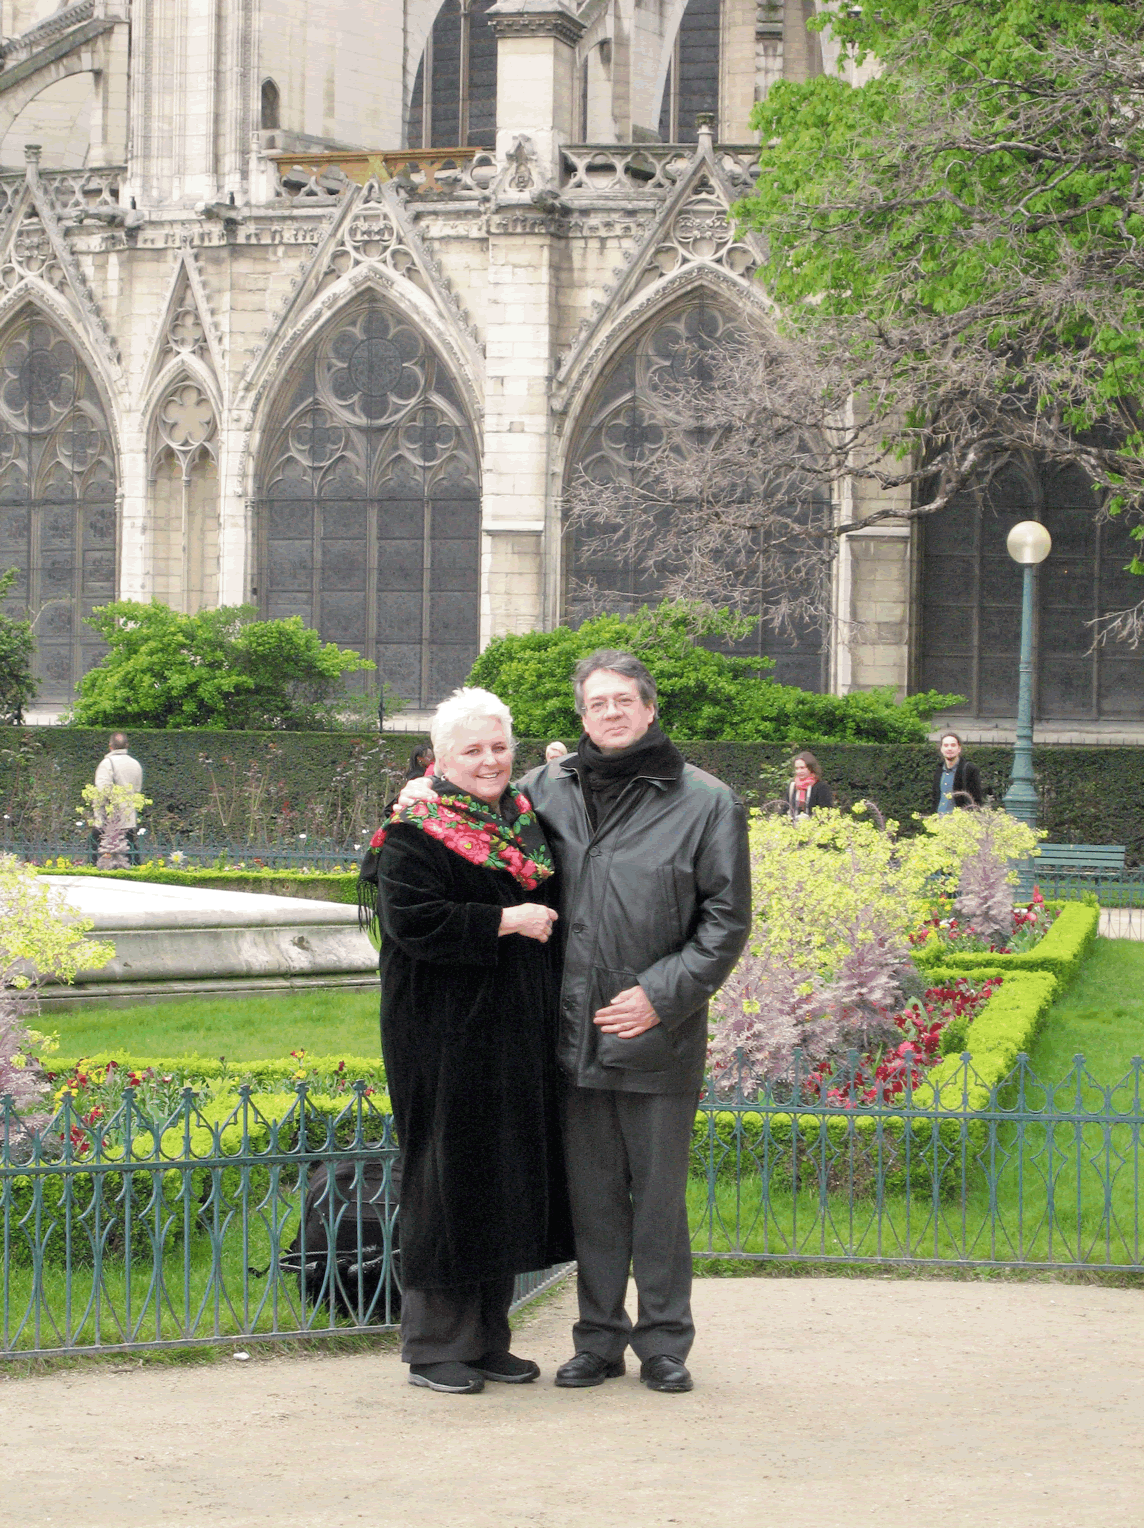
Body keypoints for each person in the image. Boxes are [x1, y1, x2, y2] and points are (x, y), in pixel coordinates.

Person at [398, 650, 751, 1393]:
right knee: (590, 1200)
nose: (612, 713)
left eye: (625, 699)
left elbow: (726, 920)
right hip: (566, 1033)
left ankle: (663, 1343)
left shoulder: (707, 801)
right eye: (598, 703)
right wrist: (419, 795)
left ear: (650, 709)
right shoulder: (541, 792)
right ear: (582, 717)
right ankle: (596, 1340)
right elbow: (464, 813)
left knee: (657, 1203)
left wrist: (663, 994)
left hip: (658, 1030)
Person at [375, 687, 573, 1395]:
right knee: (447, 1177)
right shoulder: (414, 827)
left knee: (500, 1176)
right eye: (473, 750)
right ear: (440, 757)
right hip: (442, 1036)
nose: (490, 761)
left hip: (512, 1030)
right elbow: (412, 921)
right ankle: (434, 1347)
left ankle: (488, 1338)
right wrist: (506, 921)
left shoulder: (519, 820)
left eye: (498, 747)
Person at [89, 732, 143, 866]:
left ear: (110, 746)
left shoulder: (107, 764)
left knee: (95, 846)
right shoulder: (135, 764)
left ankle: (95, 871)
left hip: (110, 818)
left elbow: (102, 791)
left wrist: (99, 815)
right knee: (130, 847)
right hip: (129, 815)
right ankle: (136, 874)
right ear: (127, 745)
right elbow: (137, 789)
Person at [930, 732, 983, 814]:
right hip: (939, 821)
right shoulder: (939, 771)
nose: (949, 748)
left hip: (959, 823)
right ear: (941, 749)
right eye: (946, 745)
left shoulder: (969, 769)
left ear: (959, 748)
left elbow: (976, 799)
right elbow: (935, 798)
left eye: (953, 745)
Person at [786, 751, 832, 820]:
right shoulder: (792, 786)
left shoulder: (821, 787)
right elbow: (785, 808)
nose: (799, 771)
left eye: (802, 768)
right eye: (797, 768)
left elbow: (826, 811)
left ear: (810, 768)